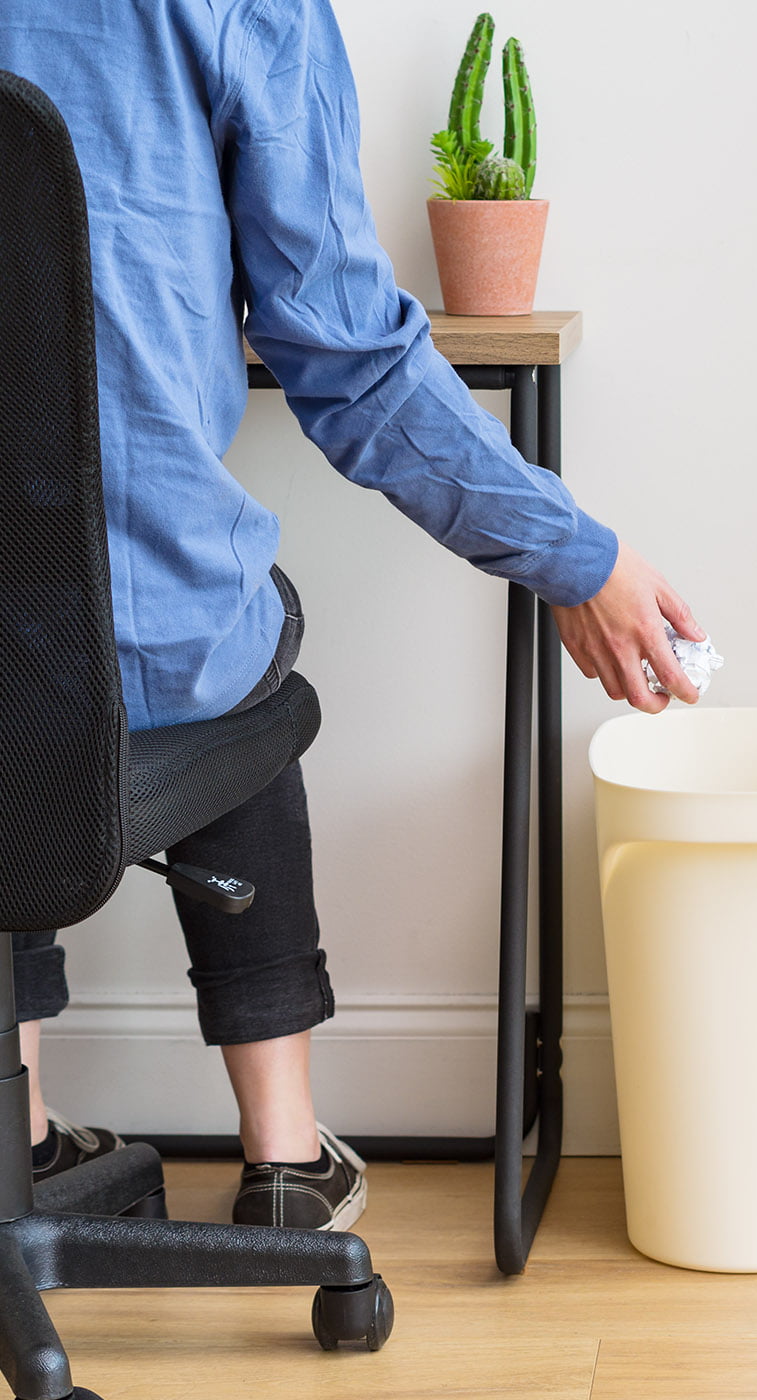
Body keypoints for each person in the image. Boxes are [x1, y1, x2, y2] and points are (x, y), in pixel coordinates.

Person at [0, 0, 703, 1231]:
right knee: (229, 626)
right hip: (135, 646)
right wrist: (574, 558)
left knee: (30, 664)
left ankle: (20, 1135)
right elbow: (349, 359)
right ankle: (283, 1157)